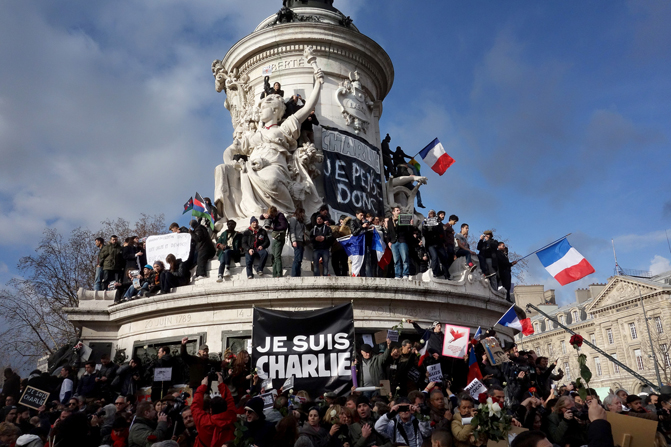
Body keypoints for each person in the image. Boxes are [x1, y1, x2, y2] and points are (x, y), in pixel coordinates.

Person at [191, 372, 237, 447]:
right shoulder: (231, 417)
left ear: (210, 410)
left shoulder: (203, 421)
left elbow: (195, 405)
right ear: (226, 408)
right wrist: (221, 384)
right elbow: (229, 400)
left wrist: (203, 385)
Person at [259, 206, 288, 278]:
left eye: (272, 215)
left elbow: (284, 226)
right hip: (275, 238)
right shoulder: (273, 215)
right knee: (274, 256)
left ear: (275, 212)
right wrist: (263, 215)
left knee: (277, 256)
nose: (271, 217)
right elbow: (261, 218)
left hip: (279, 238)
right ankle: (274, 274)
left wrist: (273, 228)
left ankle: (279, 274)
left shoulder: (280, 216)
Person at [387, 206, 411, 279]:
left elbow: (408, 231)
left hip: (402, 241)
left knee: (405, 259)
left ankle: (405, 274)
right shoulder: (390, 221)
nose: (399, 211)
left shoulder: (403, 218)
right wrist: (388, 241)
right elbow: (389, 232)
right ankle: (398, 275)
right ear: (393, 212)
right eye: (397, 210)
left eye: (399, 210)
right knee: (396, 260)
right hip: (394, 242)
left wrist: (410, 224)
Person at [288, 208, 308, 277]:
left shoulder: (301, 221)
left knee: (300, 259)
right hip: (296, 241)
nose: (303, 214)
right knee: (297, 258)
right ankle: (294, 275)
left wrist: (304, 244)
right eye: (302, 213)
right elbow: (292, 230)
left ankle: (298, 274)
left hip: (301, 241)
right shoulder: (293, 219)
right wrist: (293, 240)